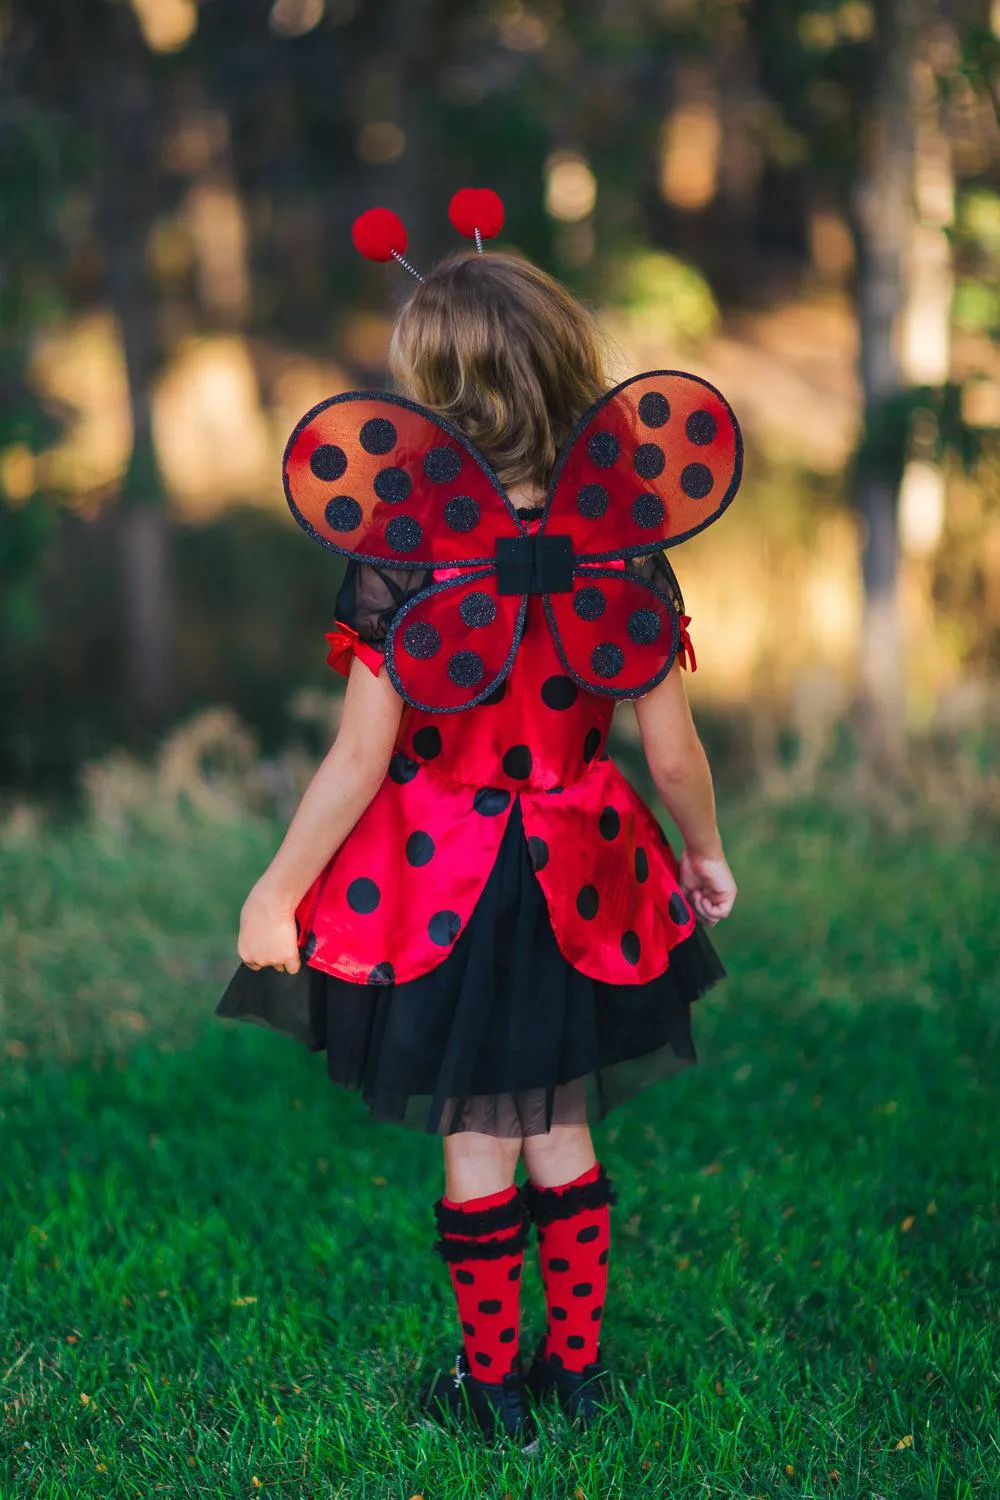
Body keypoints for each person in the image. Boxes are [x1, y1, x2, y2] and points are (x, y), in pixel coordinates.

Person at [215, 213, 739, 1456]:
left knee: (475, 1130)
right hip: (586, 862)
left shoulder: (410, 557)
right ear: (568, 365)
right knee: (560, 1117)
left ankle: (494, 1386)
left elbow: (357, 757)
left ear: (432, 395)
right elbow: (669, 750)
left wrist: (274, 892)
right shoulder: (623, 547)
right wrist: (702, 851)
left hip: (437, 873)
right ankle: (582, 1373)